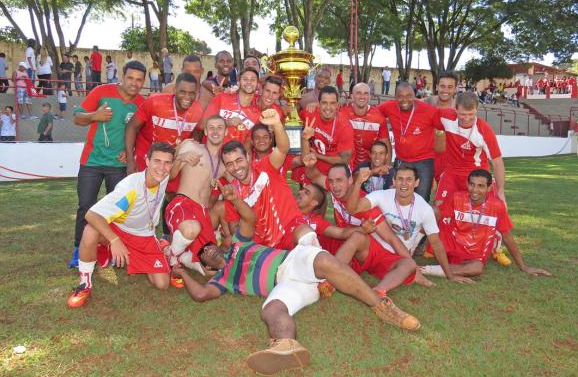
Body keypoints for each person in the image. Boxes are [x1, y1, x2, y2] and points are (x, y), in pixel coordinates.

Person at [172, 182, 420, 375]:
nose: (208, 250)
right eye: (203, 254)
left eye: (209, 246)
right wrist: (182, 271)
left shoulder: (238, 243)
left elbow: (249, 219)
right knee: (271, 309)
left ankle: (381, 306)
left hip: (291, 262)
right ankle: (286, 345)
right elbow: (201, 294)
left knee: (317, 254)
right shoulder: (222, 280)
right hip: (286, 285)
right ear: (205, 266)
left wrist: (235, 199)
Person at [67, 142, 176, 308]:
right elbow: (91, 214)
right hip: (119, 230)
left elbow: (179, 159)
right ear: (147, 161)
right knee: (90, 230)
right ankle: (84, 283)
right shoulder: (130, 188)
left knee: (162, 284)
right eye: (157, 161)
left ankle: (144, 251)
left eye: (167, 162)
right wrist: (115, 240)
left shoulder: (164, 176)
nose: (162, 167)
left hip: (144, 235)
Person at [68, 61, 147, 268]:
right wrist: (95, 116)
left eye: (139, 80)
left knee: (117, 211)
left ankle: (112, 250)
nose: (134, 83)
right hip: (92, 162)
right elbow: (77, 118)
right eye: (130, 78)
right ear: (122, 76)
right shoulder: (102, 92)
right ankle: (79, 250)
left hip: (119, 166)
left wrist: (131, 153)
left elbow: (143, 134)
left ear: (143, 82)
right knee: (86, 206)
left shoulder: (142, 103)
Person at [345, 164, 473, 286]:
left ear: (416, 182)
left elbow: (436, 244)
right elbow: (352, 209)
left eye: (409, 179)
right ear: (394, 181)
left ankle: (378, 290)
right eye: (400, 179)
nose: (404, 183)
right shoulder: (382, 196)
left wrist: (449, 275)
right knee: (357, 237)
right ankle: (333, 274)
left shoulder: (424, 208)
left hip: (398, 257)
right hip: (374, 249)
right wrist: (358, 183)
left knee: (405, 266)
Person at [303, 158, 418, 294]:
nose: (334, 186)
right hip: (343, 245)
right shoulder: (336, 188)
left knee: (408, 264)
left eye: (339, 180)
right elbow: (314, 176)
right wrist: (310, 166)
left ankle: (376, 291)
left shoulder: (366, 206)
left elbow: (391, 238)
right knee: (312, 232)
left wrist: (416, 270)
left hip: (364, 252)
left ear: (350, 180)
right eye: (331, 181)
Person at [422, 169, 552, 279]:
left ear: (489, 187)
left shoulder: (497, 206)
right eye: (472, 184)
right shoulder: (456, 197)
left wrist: (523, 266)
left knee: (477, 268)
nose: (475, 190)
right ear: (467, 184)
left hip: (473, 255)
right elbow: (437, 217)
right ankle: (409, 249)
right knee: (433, 210)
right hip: (451, 245)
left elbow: (507, 237)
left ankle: (425, 269)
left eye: (481, 186)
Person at [432, 91, 513, 265]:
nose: (467, 118)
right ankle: (436, 246)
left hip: (476, 175)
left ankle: (497, 249)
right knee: (439, 207)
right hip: (452, 173)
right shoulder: (446, 117)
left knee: (493, 210)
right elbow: (423, 112)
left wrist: (500, 191)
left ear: (476, 110)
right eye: (462, 114)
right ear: (455, 109)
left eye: (471, 114)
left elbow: (498, 162)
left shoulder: (484, 130)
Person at [221, 109, 300, 247]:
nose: (236, 167)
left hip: (290, 231)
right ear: (226, 168)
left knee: (307, 237)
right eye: (229, 164)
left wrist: (277, 125)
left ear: (247, 157)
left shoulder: (264, 166)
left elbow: (282, 149)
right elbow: (234, 227)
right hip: (263, 246)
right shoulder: (232, 192)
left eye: (239, 160)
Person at [163, 115, 229, 273]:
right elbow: (170, 175)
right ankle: (171, 257)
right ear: (205, 131)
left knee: (211, 269)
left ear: (226, 132)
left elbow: (243, 178)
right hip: (182, 204)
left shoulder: (223, 165)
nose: (215, 131)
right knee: (191, 230)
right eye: (211, 127)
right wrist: (179, 159)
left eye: (220, 128)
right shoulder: (191, 147)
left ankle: (177, 253)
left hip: (203, 213)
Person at [126, 72, 203, 174]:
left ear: (196, 93)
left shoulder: (198, 110)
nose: (187, 97)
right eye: (182, 92)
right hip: (146, 159)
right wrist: (130, 160)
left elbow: (195, 134)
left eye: (191, 93)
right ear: (175, 90)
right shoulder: (154, 102)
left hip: (172, 162)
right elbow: (132, 127)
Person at [376, 82, 439, 201]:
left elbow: (446, 122)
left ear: (414, 95)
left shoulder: (428, 110)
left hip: (424, 162)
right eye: (400, 96)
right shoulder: (389, 107)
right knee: (397, 198)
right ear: (395, 97)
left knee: (421, 199)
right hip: (401, 160)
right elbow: (372, 113)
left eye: (409, 95)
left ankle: (418, 220)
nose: (405, 99)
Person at [291, 86, 354, 184]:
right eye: (324, 103)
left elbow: (344, 160)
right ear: (318, 104)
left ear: (337, 105)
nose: (328, 107)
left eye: (332, 103)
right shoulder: (309, 113)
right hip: (313, 160)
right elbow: (292, 120)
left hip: (335, 165)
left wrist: (319, 156)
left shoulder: (345, 126)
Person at [201, 67, 261, 145]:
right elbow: (203, 125)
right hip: (211, 153)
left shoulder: (257, 114)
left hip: (234, 155)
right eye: (245, 79)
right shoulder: (221, 98)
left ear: (257, 85)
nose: (249, 82)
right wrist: (226, 122)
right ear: (238, 83)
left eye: (253, 79)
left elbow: (248, 141)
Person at [341, 82, 391, 168]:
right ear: (352, 96)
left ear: (370, 97)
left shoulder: (378, 117)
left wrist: (387, 168)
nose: (362, 96)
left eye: (366, 93)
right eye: (358, 93)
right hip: (345, 166)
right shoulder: (342, 113)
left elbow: (386, 144)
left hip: (370, 167)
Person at [425, 70, 458, 184]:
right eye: (442, 86)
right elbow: (406, 105)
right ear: (437, 87)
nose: (445, 90)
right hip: (426, 156)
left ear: (455, 89)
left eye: (450, 87)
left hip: (449, 158)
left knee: (444, 198)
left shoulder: (459, 108)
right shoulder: (428, 102)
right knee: (421, 195)